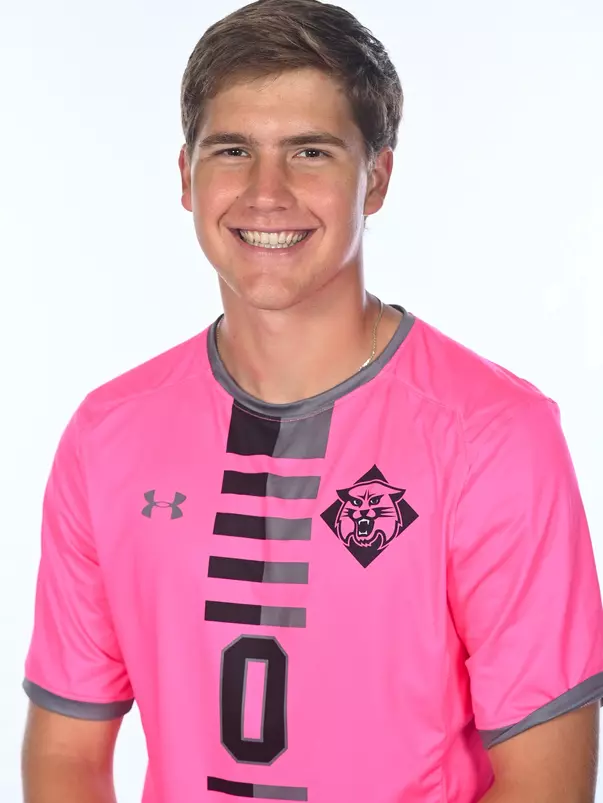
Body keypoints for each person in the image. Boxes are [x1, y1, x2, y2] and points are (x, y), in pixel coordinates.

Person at [20, 0, 603, 801]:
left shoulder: (494, 435)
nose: (267, 192)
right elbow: (66, 754)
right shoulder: (107, 435)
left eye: (310, 151)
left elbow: (546, 783)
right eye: (233, 150)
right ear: (186, 178)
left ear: (377, 178)